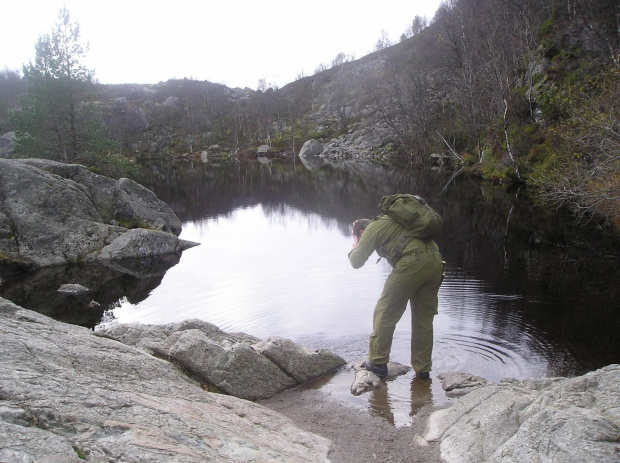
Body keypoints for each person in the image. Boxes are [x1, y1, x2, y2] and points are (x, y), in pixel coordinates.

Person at [348, 212, 443, 380]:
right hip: (436, 261)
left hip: (412, 263)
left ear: (361, 232)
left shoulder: (372, 228)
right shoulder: (396, 221)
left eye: (357, 236)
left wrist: (356, 245)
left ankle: (377, 362)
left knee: (385, 312)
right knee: (423, 319)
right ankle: (423, 370)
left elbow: (356, 261)